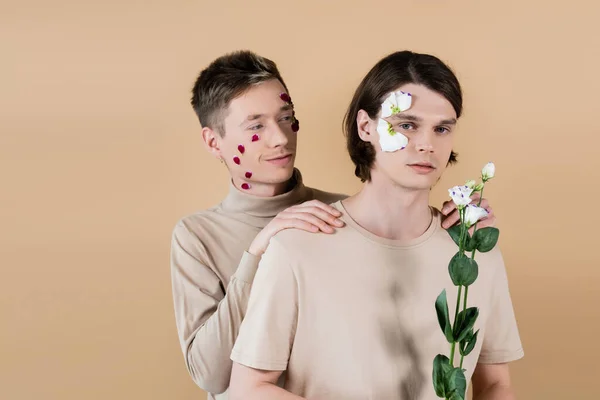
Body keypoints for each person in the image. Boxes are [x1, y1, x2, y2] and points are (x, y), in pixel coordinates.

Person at [170, 50, 497, 400]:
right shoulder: (197, 235)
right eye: (256, 126)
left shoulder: (341, 215)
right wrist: (258, 250)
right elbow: (211, 375)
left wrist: (464, 218)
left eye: (286, 118)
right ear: (212, 141)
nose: (280, 138)